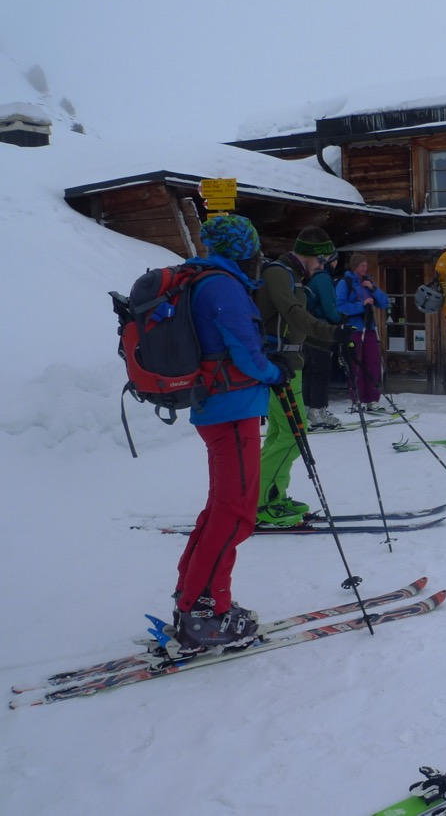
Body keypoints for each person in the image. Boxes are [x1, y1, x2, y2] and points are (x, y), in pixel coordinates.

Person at [173, 215, 286, 651]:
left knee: (221, 508)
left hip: (216, 406)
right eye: (255, 245)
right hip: (231, 409)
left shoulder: (204, 278)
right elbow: (243, 348)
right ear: (245, 248)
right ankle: (205, 614)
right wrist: (273, 371)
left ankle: (191, 596)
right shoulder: (223, 285)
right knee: (237, 513)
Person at [255, 235, 354, 526]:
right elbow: (294, 315)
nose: (322, 266)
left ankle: (272, 495)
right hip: (278, 367)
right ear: (310, 255)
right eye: (321, 260)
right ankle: (260, 503)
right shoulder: (278, 273)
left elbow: (294, 324)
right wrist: (332, 332)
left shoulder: (291, 275)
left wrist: (333, 339)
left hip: (286, 365)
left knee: (280, 434)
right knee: (294, 435)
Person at [298, 227, 342, 430]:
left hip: (307, 330)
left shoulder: (311, 278)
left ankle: (307, 409)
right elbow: (330, 307)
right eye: (335, 260)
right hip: (321, 329)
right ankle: (319, 411)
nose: (336, 264)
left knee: (311, 370)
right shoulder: (323, 278)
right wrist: (341, 320)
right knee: (321, 371)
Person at [335, 251, 390, 412]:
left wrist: (373, 289)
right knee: (356, 363)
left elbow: (384, 302)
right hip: (355, 329)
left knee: (372, 362)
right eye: (362, 265)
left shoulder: (367, 282)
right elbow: (340, 306)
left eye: (366, 265)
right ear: (354, 266)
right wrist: (361, 306)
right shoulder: (345, 283)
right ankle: (357, 398)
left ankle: (373, 398)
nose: (365, 268)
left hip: (369, 327)